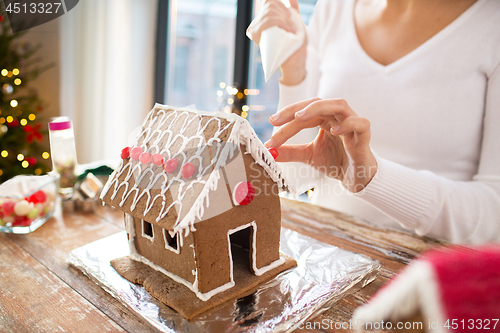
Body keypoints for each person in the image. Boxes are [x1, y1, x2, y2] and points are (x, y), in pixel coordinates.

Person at [247, 0, 500, 243]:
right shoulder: (333, 7)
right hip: (327, 258)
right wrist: (294, 70)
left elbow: (493, 217)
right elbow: (295, 176)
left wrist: (373, 178)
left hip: (427, 274)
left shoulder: (491, 25)